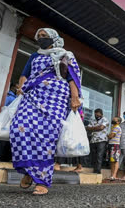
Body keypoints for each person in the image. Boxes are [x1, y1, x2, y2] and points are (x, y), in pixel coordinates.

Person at [10, 28, 81, 195]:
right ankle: (28, 170)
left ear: (54, 38)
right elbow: (25, 75)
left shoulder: (66, 54)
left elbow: (72, 77)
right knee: (19, 128)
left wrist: (75, 97)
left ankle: (41, 180)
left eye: (45, 36)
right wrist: (21, 88)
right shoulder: (35, 56)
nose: (41, 38)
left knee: (46, 137)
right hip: (33, 96)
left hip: (56, 100)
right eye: (39, 36)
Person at [0, 82, 19, 162]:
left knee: (6, 141)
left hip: (9, 124)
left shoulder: (14, 98)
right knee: (2, 141)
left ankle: (3, 158)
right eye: (17, 86)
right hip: (5, 123)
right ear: (13, 87)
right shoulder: (10, 97)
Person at [86, 109, 109, 174]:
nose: (96, 116)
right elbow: (88, 128)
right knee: (94, 156)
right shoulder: (93, 120)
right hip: (93, 140)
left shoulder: (105, 119)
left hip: (102, 140)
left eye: (98, 114)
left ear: (101, 114)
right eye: (95, 114)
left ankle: (98, 171)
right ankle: (94, 169)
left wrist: (93, 128)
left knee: (99, 155)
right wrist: (96, 128)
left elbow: (101, 128)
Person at [108, 116, 122, 181]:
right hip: (112, 144)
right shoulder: (113, 127)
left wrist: (107, 135)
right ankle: (112, 175)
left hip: (115, 145)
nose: (113, 120)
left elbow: (111, 136)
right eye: (113, 119)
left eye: (115, 120)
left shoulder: (116, 127)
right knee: (112, 160)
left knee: (115, 160)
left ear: (118, 122)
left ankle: (114, 175)